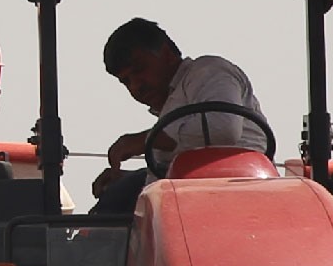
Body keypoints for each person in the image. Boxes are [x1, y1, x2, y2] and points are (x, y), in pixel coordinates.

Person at [91, 18, 273, 212]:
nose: (136, 86)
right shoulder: (175, 104)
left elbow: (223, 128)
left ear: (167, 54)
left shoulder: (208, 71)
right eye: (126, 81)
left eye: (140, 69)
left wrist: (144, 140)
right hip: (195, 196)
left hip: (235, 192)